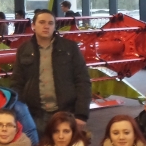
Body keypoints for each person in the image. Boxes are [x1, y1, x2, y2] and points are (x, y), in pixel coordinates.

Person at [12, 8, 92, 136]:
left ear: (55, 26)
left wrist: (81, 115)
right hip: (34, 115)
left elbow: (82, 81)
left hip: (66, 113)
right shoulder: (24, 49)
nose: (46, 26)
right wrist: (20, 114)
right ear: (33, 26)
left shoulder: (70, 48)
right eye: (42, 22)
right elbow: (17, 83)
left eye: (50, 23)